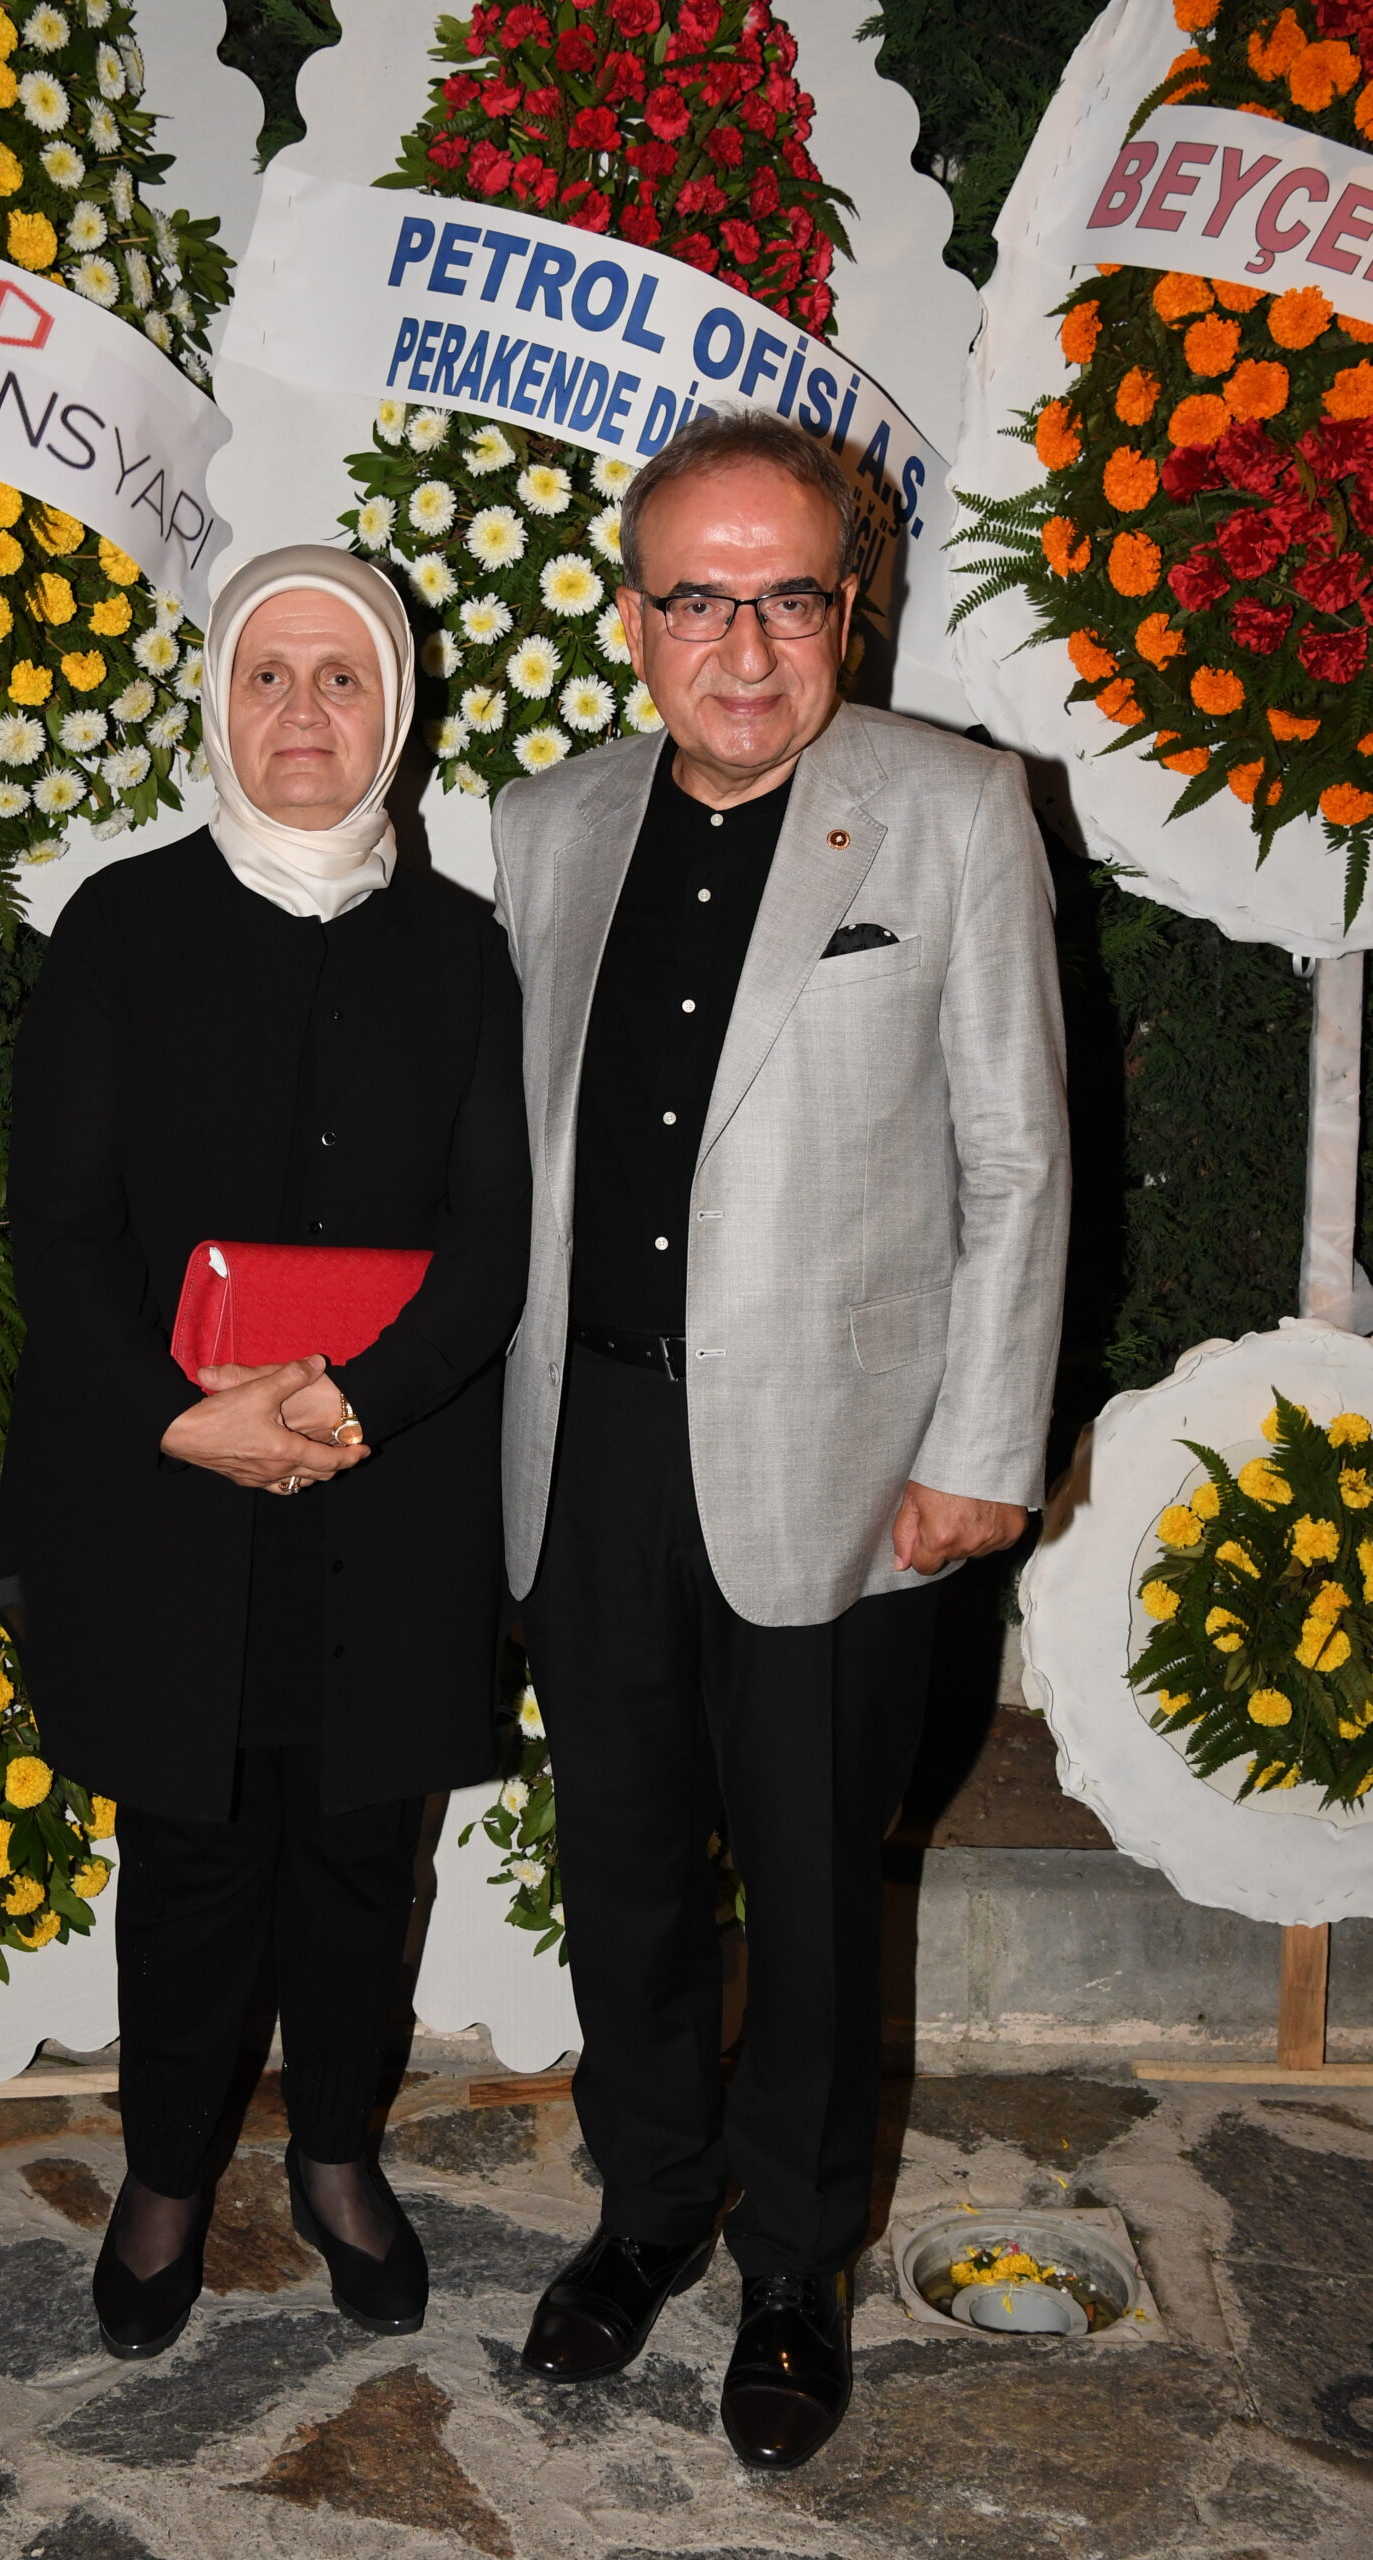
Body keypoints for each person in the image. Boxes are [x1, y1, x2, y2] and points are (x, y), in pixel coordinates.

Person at [492, 412, 1068, 2467]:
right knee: (623, 1865)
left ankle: (797, 2263)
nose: (742, 646)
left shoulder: (952, 810)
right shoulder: (544, 823)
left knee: (817, 1891)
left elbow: (1018, 1159)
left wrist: (982, 1446)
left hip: (847, 1464)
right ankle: (650, 2203)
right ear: (633, 613)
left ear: (851, 606)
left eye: (788, 598)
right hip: (589, 1451)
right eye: (698, 599)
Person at [0, 543, 530, 2359]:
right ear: (219, 704)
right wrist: (178, 1414)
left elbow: (494, 1237)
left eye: (343, 676)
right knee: (194, 1855)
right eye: (270, 675)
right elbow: (59, 1229)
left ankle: (341, 2156)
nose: (305, 711)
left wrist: (363, 1403)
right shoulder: (120, 928)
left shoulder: (462, 951)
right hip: (172, 1487)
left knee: (365, 1855)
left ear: (396, 712)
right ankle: (164, 2175)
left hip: (397, 1481)